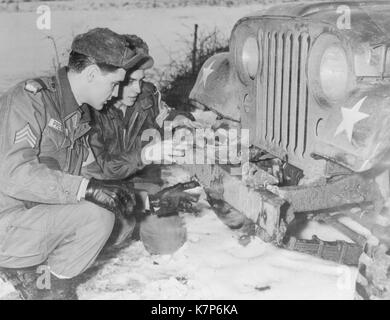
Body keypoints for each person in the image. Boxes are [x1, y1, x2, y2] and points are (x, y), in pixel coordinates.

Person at [0, 28, 147, 300]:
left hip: (29, 218)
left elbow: (93, 175)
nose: (116, 94)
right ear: (91, 74)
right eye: (113, 84)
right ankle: (32, 279)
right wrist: (86, 189)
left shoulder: (76, 118)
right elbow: (13, 175)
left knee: (117, 218)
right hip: (6, 218)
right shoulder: (29, 100)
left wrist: (146, 200)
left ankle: (43, 278)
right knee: (97, 217)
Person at [82, 34, 200, 250]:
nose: (137, 88)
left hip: (143, 183)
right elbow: (101, 169)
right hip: (107, 188)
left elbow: (165, 115)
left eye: (141, 79)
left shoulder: (147, 94)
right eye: (130, 81)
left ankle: (138, 218)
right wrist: (148, 202)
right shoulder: (90, 107)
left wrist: (181, 124)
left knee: (169, 241)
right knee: (115, 231)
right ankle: (131, 220)